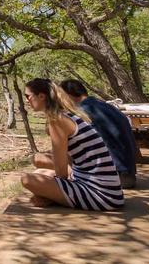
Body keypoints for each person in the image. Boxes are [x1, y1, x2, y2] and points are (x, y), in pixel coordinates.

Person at [20, 78, 125, 211]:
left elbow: (61, 171)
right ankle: (54, 198)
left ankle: (55, 199)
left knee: (27, 180)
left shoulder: (57, 121)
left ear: (41, 96)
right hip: (105, 188)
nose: (27, 100)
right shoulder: (67, 115)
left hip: (103, 195)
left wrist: (50, 191)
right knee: (40, 172)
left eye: (28, 96)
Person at [60, 79, 138, 189]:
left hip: (113, 177)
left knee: (43, 161)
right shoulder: (104, 105)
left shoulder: (84, 112)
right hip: (128, 173)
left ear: (67, 95)